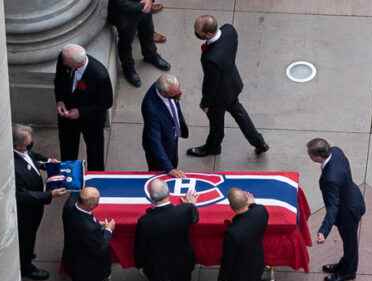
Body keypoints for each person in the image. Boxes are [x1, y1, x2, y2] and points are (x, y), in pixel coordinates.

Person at [186, 15, 268, 158]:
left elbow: (211, 84)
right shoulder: (229, 30)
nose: (195, 32)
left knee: (216, 124)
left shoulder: (210, 58)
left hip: (219, 96)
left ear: (209, 34)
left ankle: (213, 147)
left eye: (198, 31)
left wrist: (205, 103)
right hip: (232, 83)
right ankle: (259, 142)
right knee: (240, 114)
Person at [134, 180, 198, 281]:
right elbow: (194, 217)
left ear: (150, 198)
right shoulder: (185, 211)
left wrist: (140, 265)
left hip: (156, 265)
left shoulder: (145, 222)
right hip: (181, 263)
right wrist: (191, 204)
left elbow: (140, 247)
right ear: (169, 193)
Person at [12, 124, 68, 280]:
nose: (30, 145)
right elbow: (22, 195)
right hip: (26, 211)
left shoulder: (23, 151)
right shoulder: (14, 167)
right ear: (17, 145)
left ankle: (28, 253)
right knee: (26, 236)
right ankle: (26, 267)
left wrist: (48, 163)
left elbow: (32, 157)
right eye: (27, 143)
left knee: (31, 234)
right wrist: (49, 195)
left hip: (35, 208)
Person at [307, 138, 366, 281]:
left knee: (350, 243)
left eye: (310, 154)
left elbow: (333, 207)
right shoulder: (336, 151)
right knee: (348, 242)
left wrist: (323, 231)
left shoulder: (330, 179)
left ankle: (348, 272)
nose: (309, 156)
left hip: (347, 212)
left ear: (317, 156)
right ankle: (344, 264)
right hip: (352, 198)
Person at [62, 187, 115, 281]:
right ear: (91, 205)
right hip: (87, 268)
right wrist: (108, 231)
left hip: (73, 259)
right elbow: (100, 247)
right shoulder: (88, 227)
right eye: (97, 201)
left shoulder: (69, 208)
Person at [54, 44, 113, 171]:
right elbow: (59, 79)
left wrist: (81, 112)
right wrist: (60, 101)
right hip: (67, 116)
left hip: (92, 120)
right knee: (67, 149)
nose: (63, 62)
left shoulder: (99, 75)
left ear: (76, 65)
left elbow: (106, 102)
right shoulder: (64, 58)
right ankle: (70, 175)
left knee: (95, 152)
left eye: (66, 62)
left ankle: (95, 179)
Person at [107, 0, 171, 88]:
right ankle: (128, 68)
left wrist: (150, 1)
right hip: (125, 14)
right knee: (126, 42)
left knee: (148, 31)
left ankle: (150, 55)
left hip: (144, 7)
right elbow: (120, 3)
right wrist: (143, 6)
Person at [142, 75, 188, 178]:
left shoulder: (168, 88)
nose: (179, 96)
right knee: (161, 175)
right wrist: (169, 168)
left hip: (171, 137)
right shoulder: (151, 109)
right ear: (164, 93)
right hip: (160, 149)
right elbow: (154, 141)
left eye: (179, 92)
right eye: (175, 96)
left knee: (174, 161)